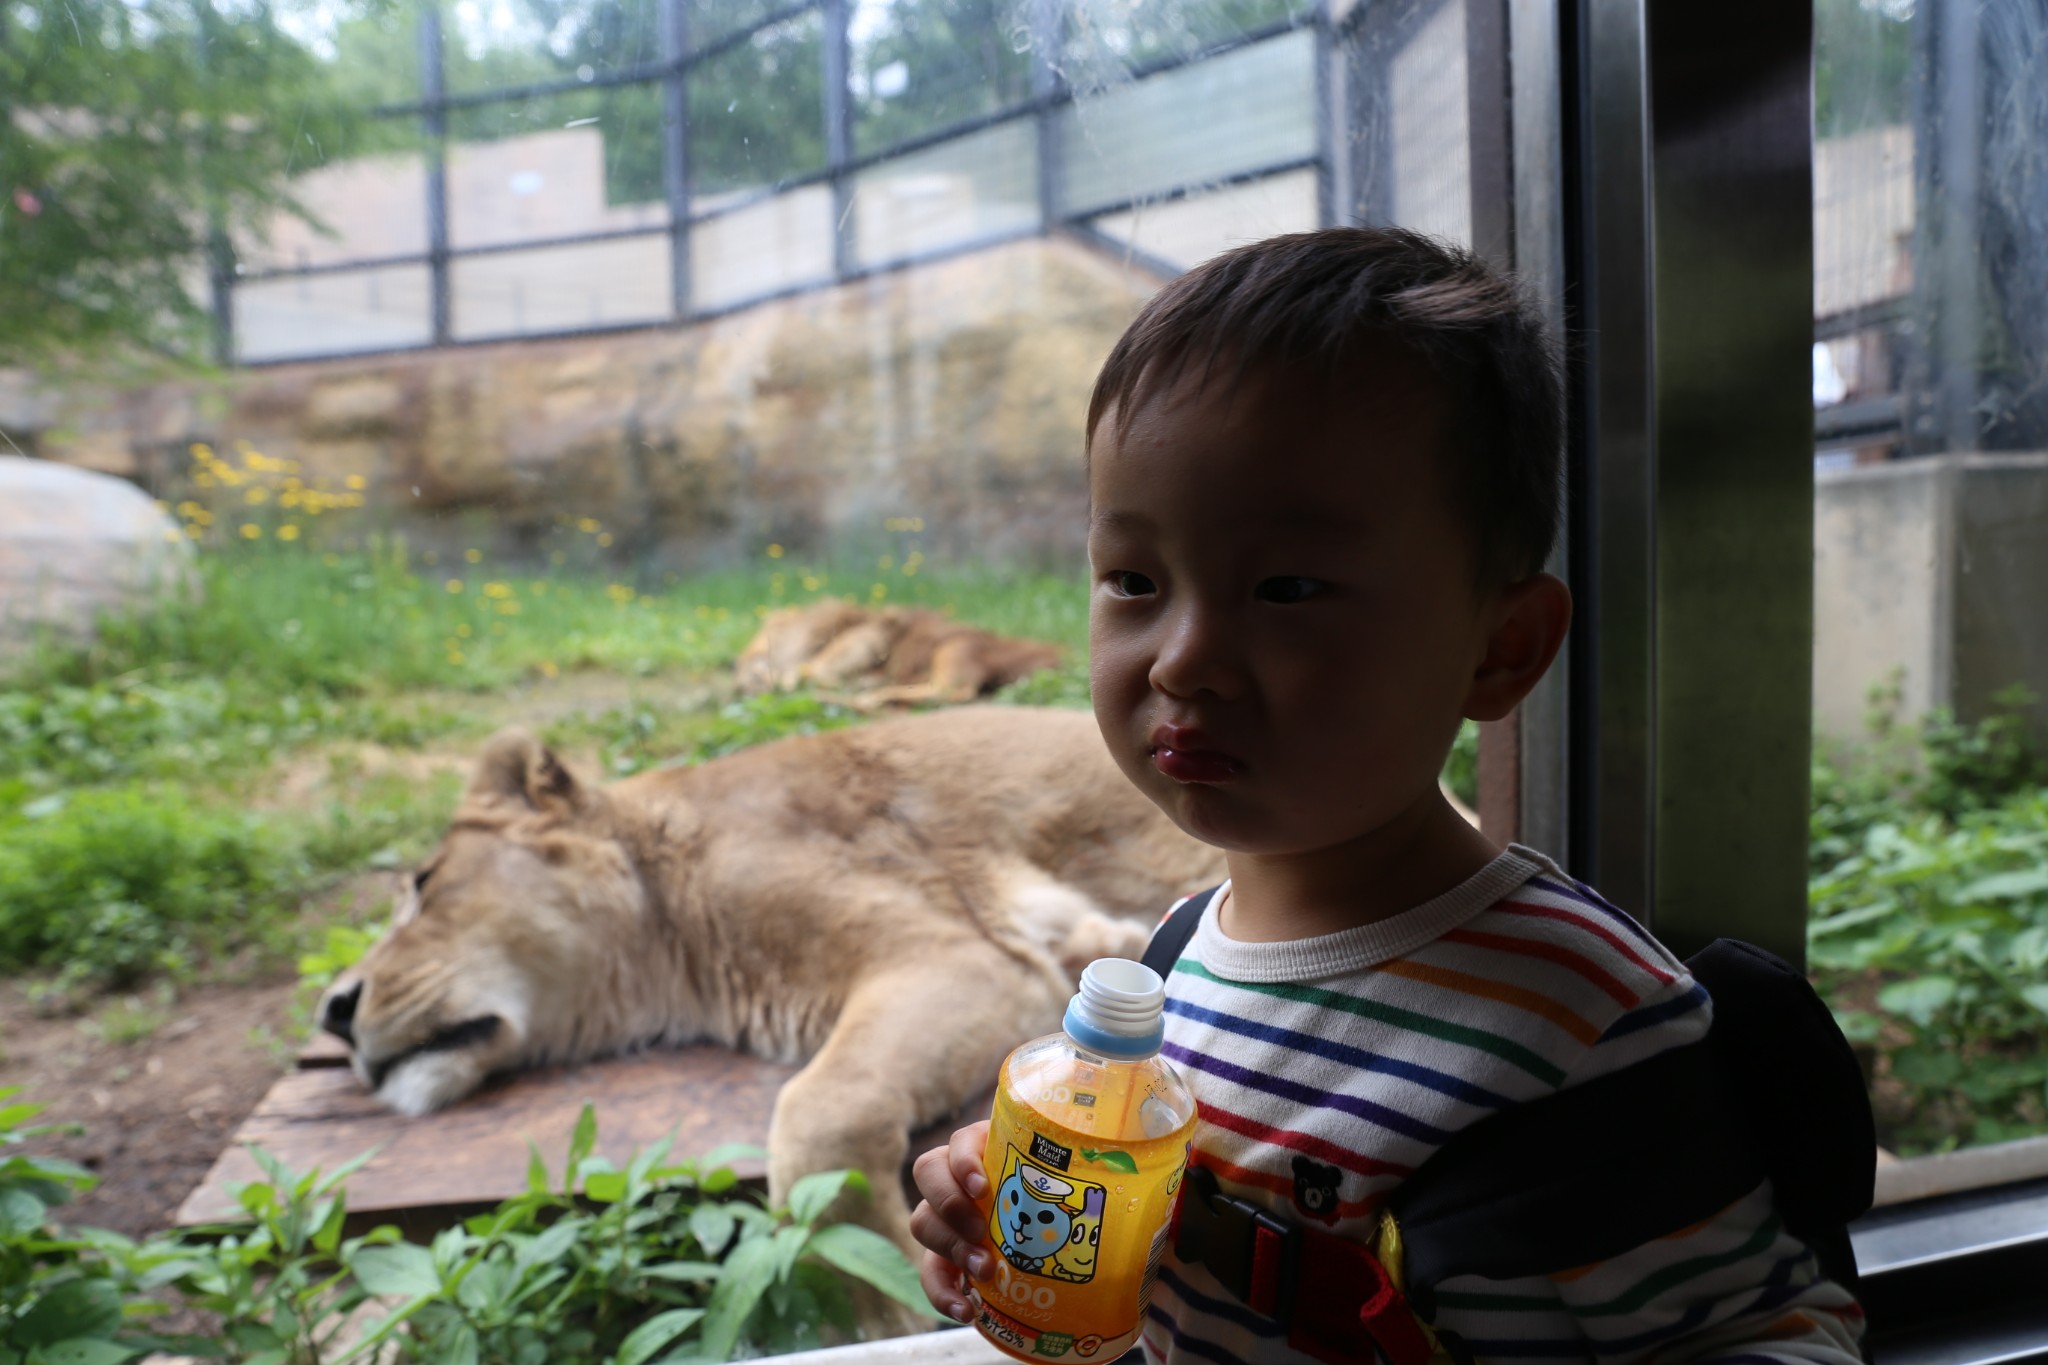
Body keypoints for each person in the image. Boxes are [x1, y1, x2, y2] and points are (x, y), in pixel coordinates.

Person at [906, 227, 1866, 1364]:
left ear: (1499, 649)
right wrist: (1020, 1214)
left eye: (1287, 587)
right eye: (1133, 581)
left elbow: (1781, 1336)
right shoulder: (1172, 965)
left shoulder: (1579, 1017)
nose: (1180, 660)